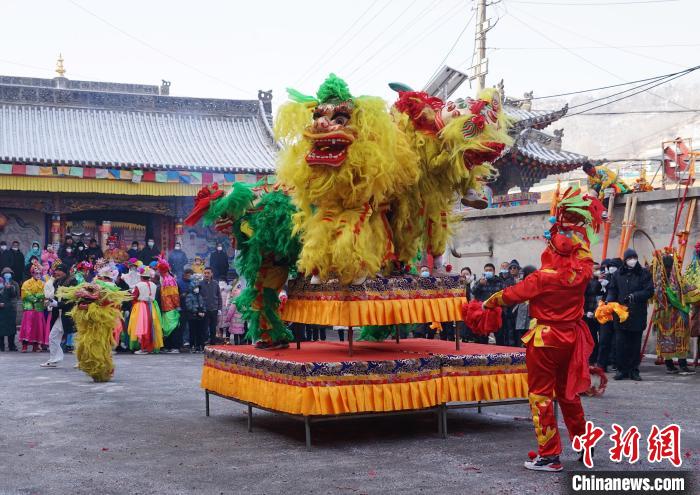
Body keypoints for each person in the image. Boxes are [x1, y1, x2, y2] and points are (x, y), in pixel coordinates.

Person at [483, 187, 601, 472]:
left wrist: (488, 302)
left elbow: (510, 295)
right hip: (571, 337)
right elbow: (584, 252)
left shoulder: (542, 277)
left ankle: (549, 455)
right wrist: (572, 229)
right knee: (568, 393)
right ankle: (585, 444)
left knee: (540, 394)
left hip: (546, 339)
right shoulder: (583, 272)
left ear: (550, 249)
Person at [606, 248, 654, 381]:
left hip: (637, 314)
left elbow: (649, 291)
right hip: (620, 314)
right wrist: (609, 300)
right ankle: (622, 370)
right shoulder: (618, 274)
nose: (632, 260)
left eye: (634, 257)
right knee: (620, 343)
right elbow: (612, 289)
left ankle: (634, 370)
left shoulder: (643, 273)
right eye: (629, 258)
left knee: (634, 344)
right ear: (625, 260)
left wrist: (635, 296)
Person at [651, 250, 694, 375]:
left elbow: (687, 290)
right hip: (667, 314)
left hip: (672, 313)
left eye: (670, 267)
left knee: (679, 338)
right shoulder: (659, 279)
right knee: (668, 339)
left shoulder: (676, 278)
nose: (669, 269)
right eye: (667, 267)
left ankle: (680, 364)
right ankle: (672, 365)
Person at [40, 263, 77, 368]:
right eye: (56, 270)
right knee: (53, 337)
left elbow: (72, 300)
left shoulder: (72, 282)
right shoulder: (56, 282)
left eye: (59, 270)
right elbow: (56, 297)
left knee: (77, 338)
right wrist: (51, 302)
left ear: (65, 272)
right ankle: (53, 359)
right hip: (59, 314)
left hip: (70, 313)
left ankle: (82, 361)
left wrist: (58, 304)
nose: (57, 272)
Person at [127, 267, 164, 354]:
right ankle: (150, 346)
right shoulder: (154, 285)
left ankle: (144, 348)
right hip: (152, 306)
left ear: (141, 277)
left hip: (141, 307)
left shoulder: (138, 285)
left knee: (142, 327)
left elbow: (134, 297)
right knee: (152, 326)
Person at [471, 263, 506, 343]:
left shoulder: (500, 282)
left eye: (490, 270)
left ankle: (500, 353)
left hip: (497, 312)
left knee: (499, 336)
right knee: (483, 336)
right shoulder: (480, 281)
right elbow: (473, 292)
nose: (488, 272)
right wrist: (480, 284)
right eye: (486, 270)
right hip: (483, 312)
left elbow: (504, 295)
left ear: (494, 271)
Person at [19, 264, 47, 352]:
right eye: (36, 273)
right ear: (32, 273)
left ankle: (36, 345)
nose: (38, 275)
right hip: (29, 307)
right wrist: (35, 298)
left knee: (37, 327)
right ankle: (25, 345)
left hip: (39, 308)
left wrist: (37, 296)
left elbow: (44, 293)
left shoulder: (42, 284)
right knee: (27, 326)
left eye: (39, 273)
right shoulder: (26, 283)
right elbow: (25, 293)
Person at [156, 258, 181, 353]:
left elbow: (174, 295)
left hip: (171, 308)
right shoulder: (165, 279)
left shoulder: (169, 280)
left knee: (172, 328)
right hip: (166, 308)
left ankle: (174, 347)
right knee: (167, 328)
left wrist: (177, 306)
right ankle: (169, 346)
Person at [583, 262, 603, 364]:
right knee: (589, 337)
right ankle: (590, 358)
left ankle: (592, 358)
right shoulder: (589, 282)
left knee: (593, 337)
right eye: (596, 269)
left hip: (595, 313)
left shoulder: (599, 282)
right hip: (586, 313)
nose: (599, 271)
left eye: (599, 269)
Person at [513, 265, 537, 346]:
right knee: (520, 342)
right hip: (521, 321)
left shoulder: (537, 286)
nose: (520, 278)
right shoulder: (520, 286)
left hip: (532, 321)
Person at [199, 267, 222, 344]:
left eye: (208, 273)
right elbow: (198, 297)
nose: (206, 275)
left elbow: (219, 296)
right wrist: (200, 309)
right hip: (204, 310)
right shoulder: (200, 284)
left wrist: (219, 309)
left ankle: (213, 344)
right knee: (204, 328)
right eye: (205, 273)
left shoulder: (215, 283)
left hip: (214, 310)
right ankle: (203, 344)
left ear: (212, 274)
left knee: (213, 328)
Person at [0, 267, 19, 351]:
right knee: (1, 327)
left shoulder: (14, 284)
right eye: (5, 274)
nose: (7, 276)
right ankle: (1, 346)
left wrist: (10, 288)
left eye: (9, 274)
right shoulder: (0, 283)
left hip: (11, 308)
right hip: (1, 309)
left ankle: (11, 345)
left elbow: (16, 296)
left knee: (11, 328)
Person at [185, 283, 207, 352]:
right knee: (192, 332)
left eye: (197, 287)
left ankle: (199, 346)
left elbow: (203, 304)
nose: (197, 289)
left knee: (200, 332)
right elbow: (189, 306)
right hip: (193, 317)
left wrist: (204, 311)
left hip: (200, 317)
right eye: (195, 287)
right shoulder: (189, 296)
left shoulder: (200, 296)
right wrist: (197, 312)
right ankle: (192, 346)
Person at [178, 268, 194, 348]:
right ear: (184, 274)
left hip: (192, 308)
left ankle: (189, 342)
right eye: (188, 275)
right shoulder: (179, 282)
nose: (189, 276)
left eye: (190, 275)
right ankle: (182, 342)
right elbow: (177, 295)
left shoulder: (193, 282)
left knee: (191, 326)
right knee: (183, 326)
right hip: (182, 308)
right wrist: (183, 295)